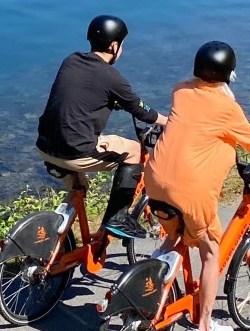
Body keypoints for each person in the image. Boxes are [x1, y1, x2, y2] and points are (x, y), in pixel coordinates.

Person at [144, 40, 250, 331]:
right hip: (190, 191)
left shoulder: (181, 92)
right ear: (228, 74)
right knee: (211, 251)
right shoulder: (227, 108)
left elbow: (193, 98)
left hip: (155, 181)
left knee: (175, 234)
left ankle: (154, 272)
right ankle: (204, 326)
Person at [36, 15, 166, 238]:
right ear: (114, 46)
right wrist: (171, 122)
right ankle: (116, 218)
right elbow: (142, 111)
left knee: (79, 190)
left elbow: (81, 92)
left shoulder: (71, 60)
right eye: (122, 44)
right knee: (134, 151)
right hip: (75, 151)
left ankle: (59, 245)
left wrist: (108, 100)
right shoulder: (112, 78)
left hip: (45, 147)